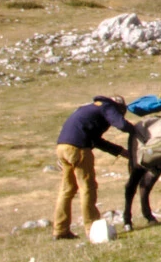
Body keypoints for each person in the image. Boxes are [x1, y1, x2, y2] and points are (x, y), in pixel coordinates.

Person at [54, 95, 136, 240]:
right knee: (87, 188)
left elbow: (96, 140)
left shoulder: (89, 108)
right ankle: (92, 229)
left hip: (62, 147)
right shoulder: (107, 106)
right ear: (119, 107)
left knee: (67, 190)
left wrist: (120, 151)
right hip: (78, 149)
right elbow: (122, 125)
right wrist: (137, 130)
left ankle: (60, 230)